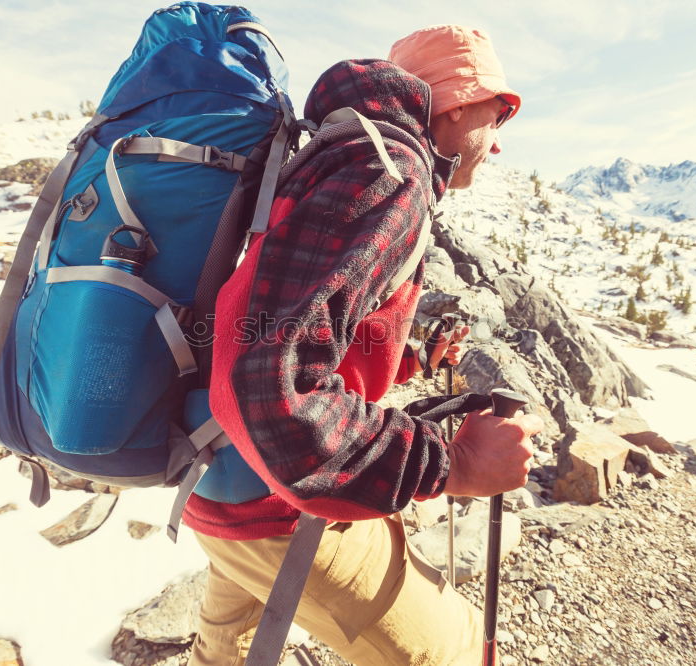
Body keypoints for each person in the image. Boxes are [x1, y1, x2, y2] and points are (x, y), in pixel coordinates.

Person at [183, 24, 543, 665]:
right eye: (498, 114)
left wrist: (408, 360)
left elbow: (281, 323)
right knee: (452, 652)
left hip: (215, 474)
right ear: (458, 105)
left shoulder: (338, 154)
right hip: (276, 505)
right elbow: (273, 382)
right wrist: (453, 466)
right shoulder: (390, 171)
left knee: (224, 647)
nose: (498, 143)